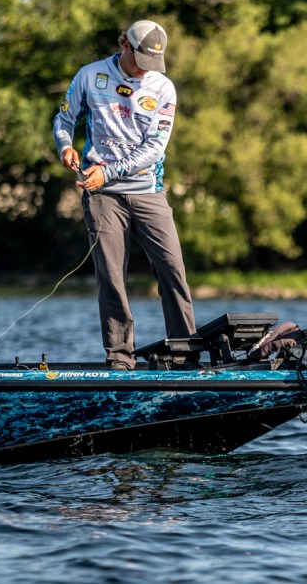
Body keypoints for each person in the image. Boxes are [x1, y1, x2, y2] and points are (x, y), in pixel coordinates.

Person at [53, 19, 197, 370]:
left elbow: (154, 149)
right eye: (140, 60)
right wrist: (65, 147)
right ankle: (120, 359)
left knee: (172, 270)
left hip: (149, 192)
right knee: (111, 277)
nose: (145, 69)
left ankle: (185, 356)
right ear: (124, 45)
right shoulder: (90, 76)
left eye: (153, 63)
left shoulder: (163, 88)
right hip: (103, 195)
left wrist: (108, 171)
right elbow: (64, 120)